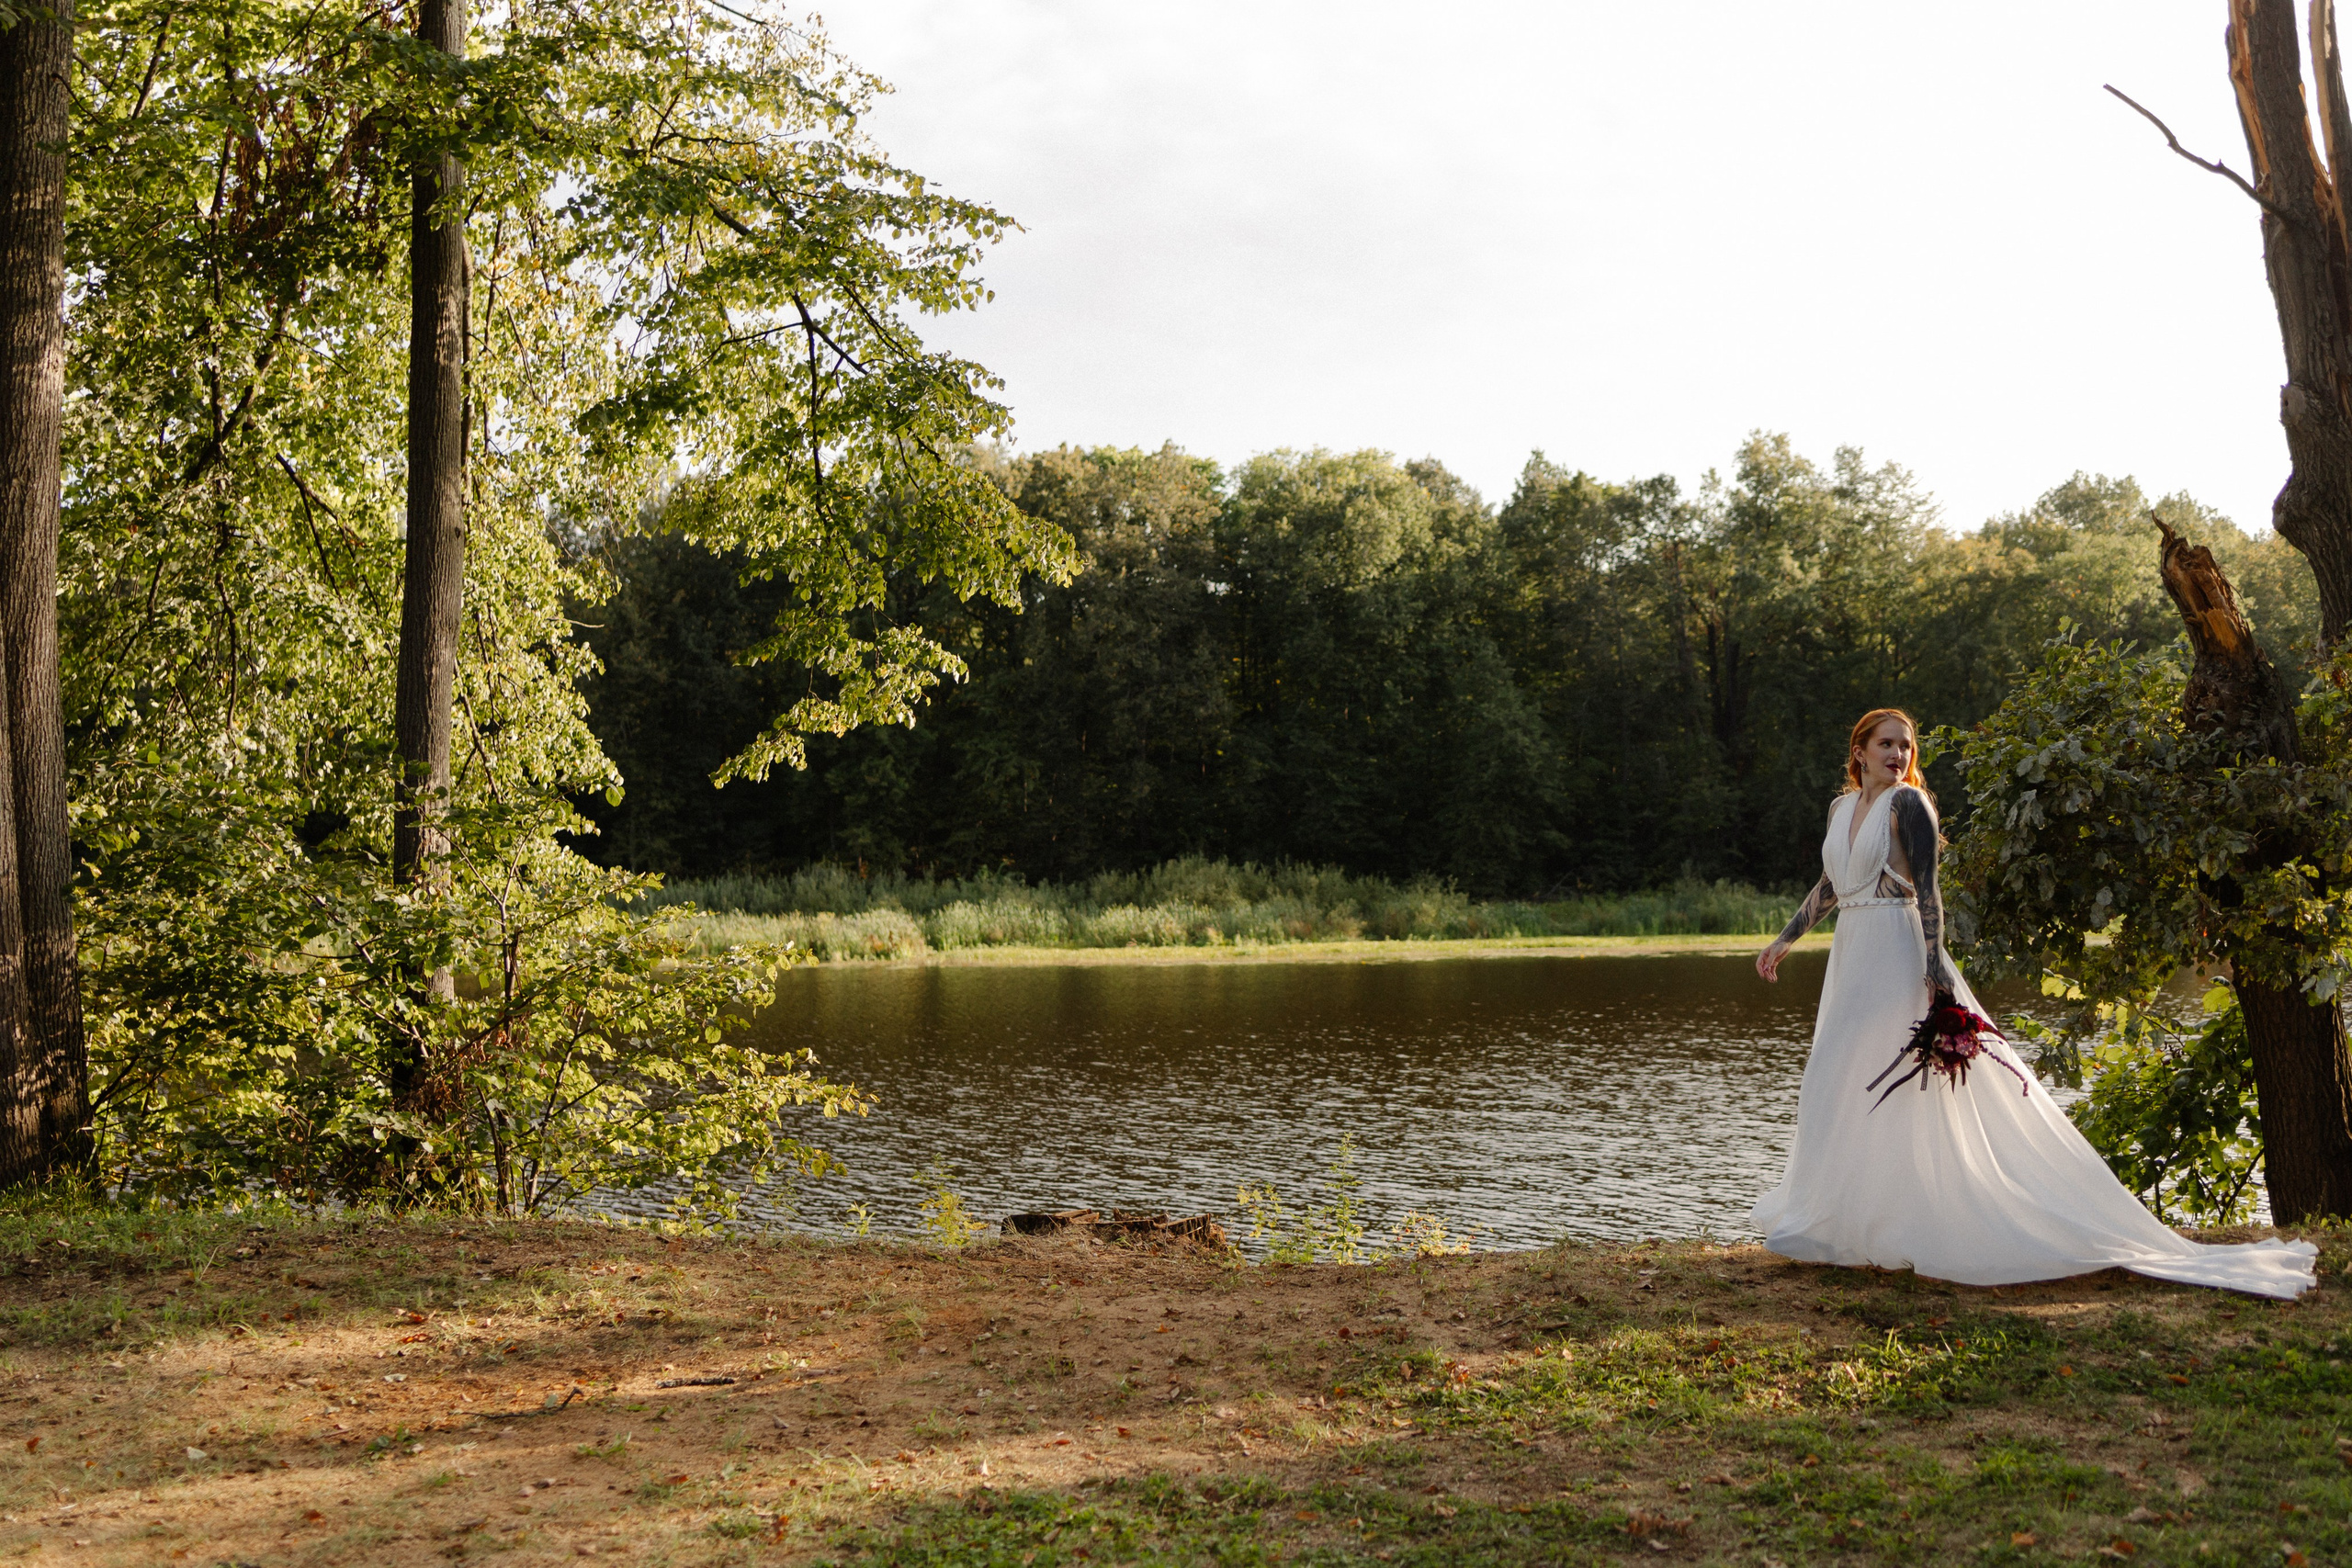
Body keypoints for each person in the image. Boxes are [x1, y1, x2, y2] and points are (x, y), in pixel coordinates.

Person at [1747, 707, 2315, 1299]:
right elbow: (1831, 885)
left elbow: (1931, 892)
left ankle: (1917, 1218)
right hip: (1851, 958)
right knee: (1837, 1076)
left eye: (1907, 747)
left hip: (1897, 949)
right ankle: (1845, 1219)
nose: (1899, 756)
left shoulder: (1908, 806)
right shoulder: (1843, 809)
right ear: (1859, 749)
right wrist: (1785, 940)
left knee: (1910, 1087)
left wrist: (1936, 965)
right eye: (1886, 744)